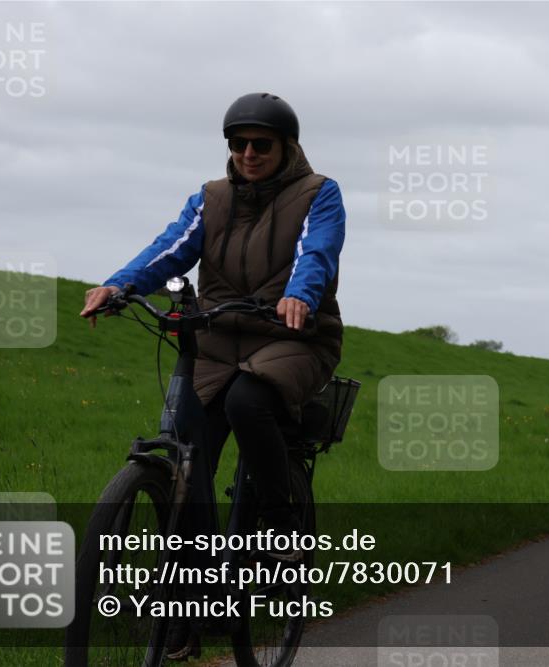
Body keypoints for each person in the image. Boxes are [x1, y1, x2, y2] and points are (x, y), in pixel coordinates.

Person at [80, 92, 346, 659]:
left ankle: (279, 528)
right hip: (217, 337)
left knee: (249, 402)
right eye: (238, 143)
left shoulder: (319, 194)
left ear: (287, 147)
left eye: (261, 145)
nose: (248, 153)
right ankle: (191, 593)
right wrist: (118, 285)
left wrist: (299, 296)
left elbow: (314, 255)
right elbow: (169, 249)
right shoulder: (211, 199)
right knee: (185, 451)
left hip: (292, 337)